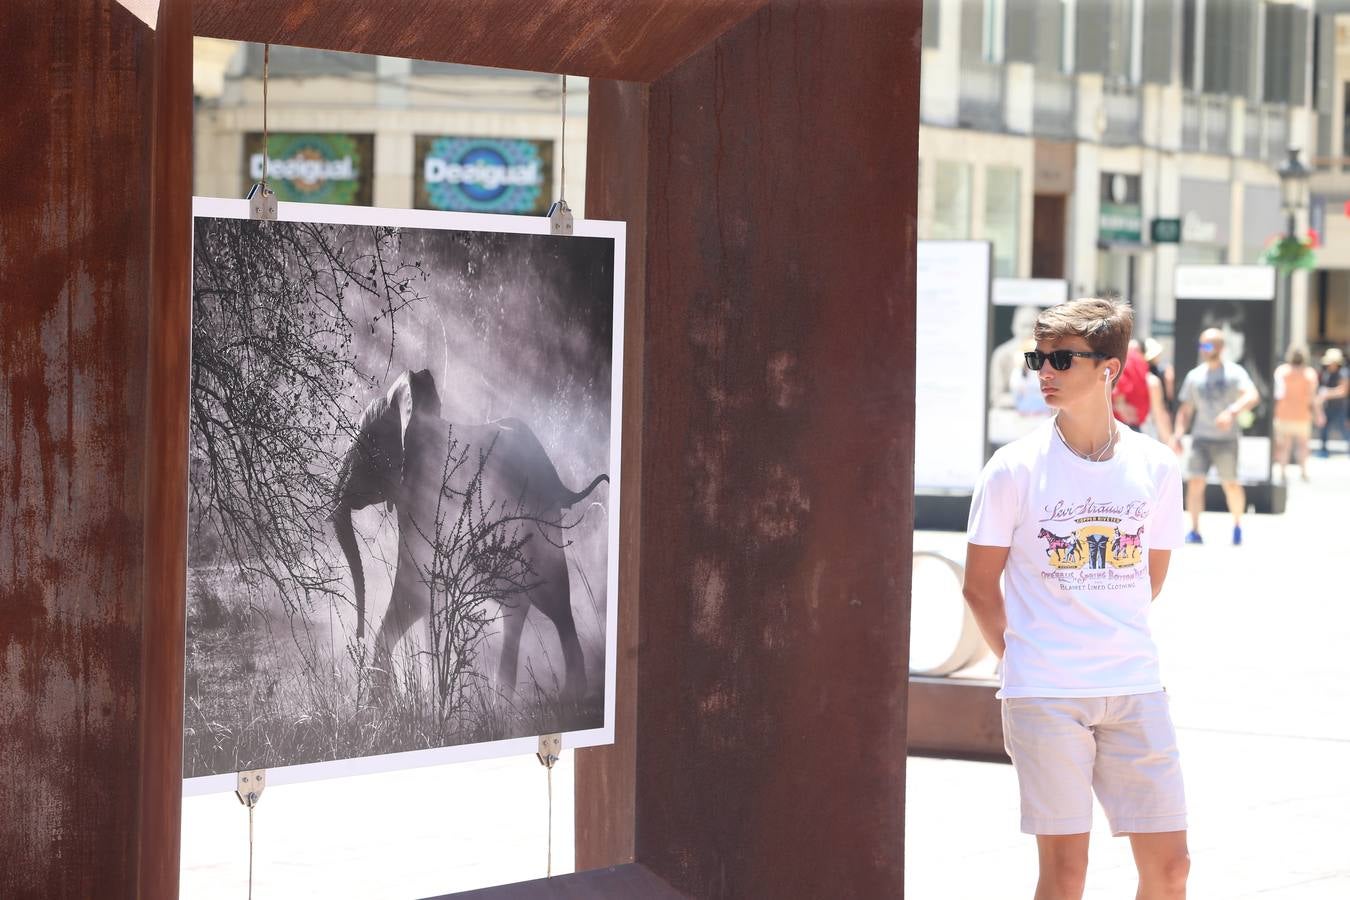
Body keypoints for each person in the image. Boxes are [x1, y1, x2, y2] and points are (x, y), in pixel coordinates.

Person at [963, 298, 1189, 900]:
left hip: (1136, 686)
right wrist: (1021, 662)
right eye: (1040, 357)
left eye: (1062, 358)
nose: (1045, 371)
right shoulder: (1012, 468)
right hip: (1045, 691)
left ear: (1110, 369)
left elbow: (1150, 579)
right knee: (1066, 876)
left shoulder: (1157, 466)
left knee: (1171, 870)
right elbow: (979, 587)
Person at [1170, 328, 1260, 545]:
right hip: (1201, 437)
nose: (1204, 349)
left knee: (1230, 483)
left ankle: (1237, 525)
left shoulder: (1234, 372)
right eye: (1202, 345)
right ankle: (1194, 529)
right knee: (1195, 483)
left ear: (1220, 347)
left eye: (1208, 345)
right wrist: (1178, 434)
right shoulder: (1195, 375)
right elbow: (1185, 409)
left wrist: (1232, 411)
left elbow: (1252, 395)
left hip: (1226, 439)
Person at [1272, 347, 1322, 483]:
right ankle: (1303, 472)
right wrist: (1319, 414)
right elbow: (1313, 397)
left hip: (1283, 414)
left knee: (1285, 446)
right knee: (1303, 445)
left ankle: (1282, 472)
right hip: (1302, 415)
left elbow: (1277, 394)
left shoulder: (1282, 371)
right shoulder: (1309, 374)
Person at [1136, 339, 1174, 445]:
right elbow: (1159, 412)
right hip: (1148, 426)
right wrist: (1168, 440)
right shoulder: (1152, 380)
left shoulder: (1136, 377)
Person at [1317, 348, 1348, 457]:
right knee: (1323, 429)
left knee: (1343, 430)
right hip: (1327, 407)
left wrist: (1328, 393)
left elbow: (1343, 391)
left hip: (1339, 408)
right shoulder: (1326, 373)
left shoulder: (1343, 373)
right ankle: (1323, 451)